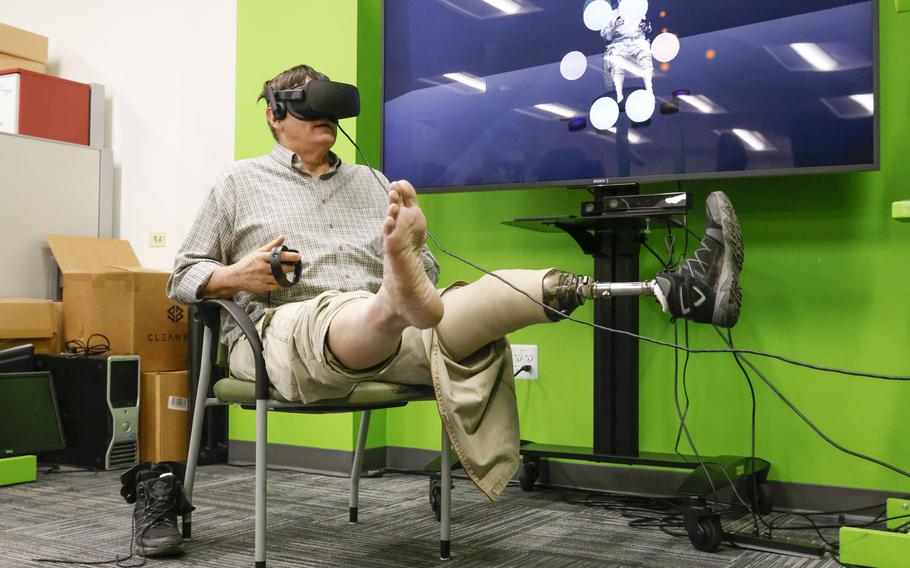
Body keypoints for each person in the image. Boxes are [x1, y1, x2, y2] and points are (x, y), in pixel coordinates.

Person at [167, 61, 743, 517]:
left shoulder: (372, 183)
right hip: (279, 332)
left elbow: (434, 282)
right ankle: (393, 299)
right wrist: (238, 275)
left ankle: (677, 289)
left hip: (389, 331)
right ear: (275, 115)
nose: (326, 117)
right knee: (392, 307)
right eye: (308, 105)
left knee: (480, 310)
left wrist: (413, 269)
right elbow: (182, 276)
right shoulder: (238, 181)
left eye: (329, 106)